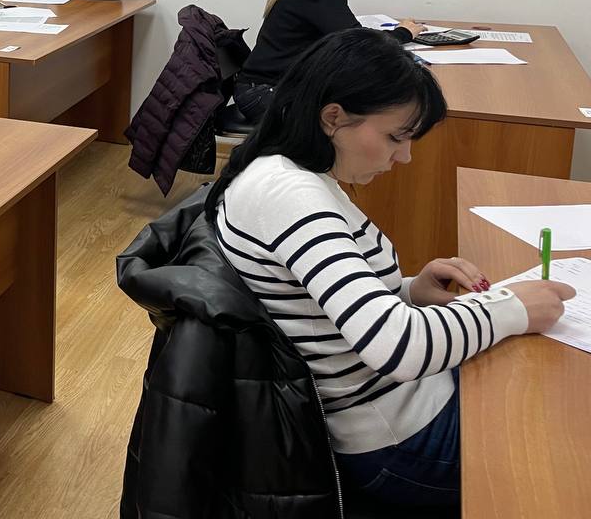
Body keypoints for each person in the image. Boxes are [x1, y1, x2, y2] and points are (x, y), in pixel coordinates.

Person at [208, 29, 574, 509]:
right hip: (397, 441)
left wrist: (408, 291)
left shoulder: (285, 171)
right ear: (333, 117)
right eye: (394, 137)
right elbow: (396, 346)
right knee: (565, 444)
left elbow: (317, 308)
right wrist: (510, 308)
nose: (404, 156)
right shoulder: (290, 195)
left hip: (401, 407)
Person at [234, 0, 426, 122]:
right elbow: (359, 43)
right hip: (265, 95)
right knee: (360, 115)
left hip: (265, 89)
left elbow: (351, 36)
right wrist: (403, 33)